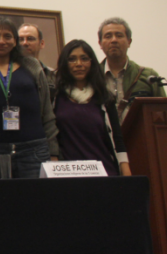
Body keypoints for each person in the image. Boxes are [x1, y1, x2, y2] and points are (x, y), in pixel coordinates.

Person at [0, 16, 59, 179]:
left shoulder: (32, 66)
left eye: (7, 36)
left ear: (15, 41)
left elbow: (47, 112)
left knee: (37, 195)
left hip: (34, 150)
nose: (1, 41)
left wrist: (54, 152)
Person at [53, 40, 130, 176]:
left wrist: (125, 168)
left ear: (92, 63)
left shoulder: (104, 97)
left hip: (105, 172)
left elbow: (117, 137)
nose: (79, 64)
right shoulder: (55, 97)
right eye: (72, 59)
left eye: (84, 58)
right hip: (69, 174)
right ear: (64, 63)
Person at [97, 17, 166, 121]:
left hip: (141, 132)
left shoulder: (149, 76)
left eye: (119, 35)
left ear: (129, 41)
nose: (114, 40)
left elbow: (165, 113)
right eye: (108, 36)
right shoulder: (92, 76)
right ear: (100, 43)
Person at [18, 23, 55, 95]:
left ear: (42, 44)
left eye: (30, 39)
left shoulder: (52, 75)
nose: (25, 43)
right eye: (21, 39)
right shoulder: (9, 73)